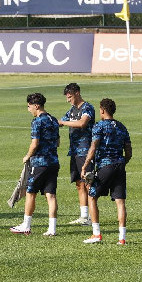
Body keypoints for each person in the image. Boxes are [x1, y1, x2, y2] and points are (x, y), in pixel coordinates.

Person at [81, 98, 132, 245]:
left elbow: (93, 147)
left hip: (105, 166)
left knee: (92, 196)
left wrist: (85, 166)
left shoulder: (99, 126)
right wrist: (123, 162)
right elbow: (128, 151)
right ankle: (122, 238)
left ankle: (96, 233)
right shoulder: (122, 127)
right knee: (120, 202)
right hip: (120, 166)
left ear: (102, 110)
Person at [10, 93, 60, 236]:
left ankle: (26, 225)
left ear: (36, 106)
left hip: (39, 163)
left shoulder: (37, 122)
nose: (28, 109)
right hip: (53, 162)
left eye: (29, 106)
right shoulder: (53, 120)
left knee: (30, 193)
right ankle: (52, 229)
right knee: (50, 195)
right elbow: (58, 142)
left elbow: (34, 144)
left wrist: (27, 156)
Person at [58, 83, 95, 226]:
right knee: (79, 184)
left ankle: (92, 217)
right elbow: (61, 122)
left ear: (77, 93)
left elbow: (82, 123)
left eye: (70, 97)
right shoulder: (72, 110)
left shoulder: (87, 108)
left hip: (85, 151)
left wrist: (64, 122)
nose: (68, 100)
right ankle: (84, 216)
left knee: (88, 183)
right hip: (74, 151)